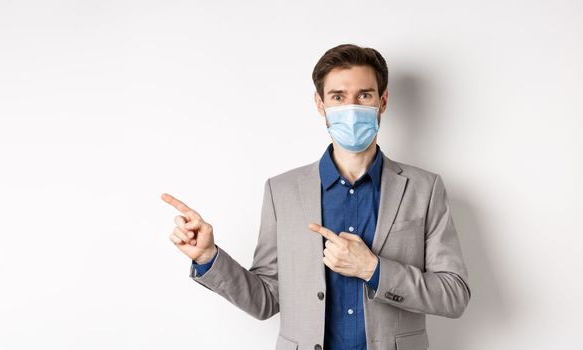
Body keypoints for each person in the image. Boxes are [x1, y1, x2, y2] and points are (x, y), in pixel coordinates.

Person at [160, 44, 470, 350]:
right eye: (338, 97)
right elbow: (265, 300)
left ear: (383, 101)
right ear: (320, 104)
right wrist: (207, 257)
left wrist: (374, 270)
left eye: (364, 95)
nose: (351, 107)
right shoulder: (281, 191)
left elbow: (454, 295)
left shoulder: (423, 188)